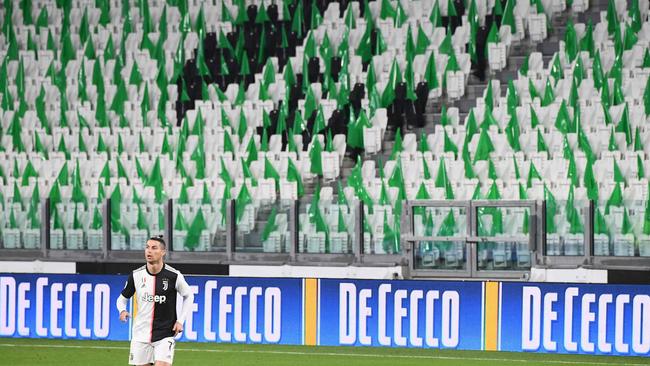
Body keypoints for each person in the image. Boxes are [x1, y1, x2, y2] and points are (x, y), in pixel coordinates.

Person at [116, 236, 194, 366]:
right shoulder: (136, 275)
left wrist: (180, 321)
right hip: (140, 334)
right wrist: (122, 310)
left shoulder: (174, 276)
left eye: (154, 248)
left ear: (163, 252)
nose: (149, 251)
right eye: (147, 247)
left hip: (165, 333)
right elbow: (122, 299)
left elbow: (189, 296)